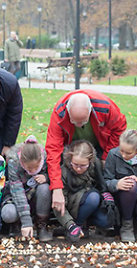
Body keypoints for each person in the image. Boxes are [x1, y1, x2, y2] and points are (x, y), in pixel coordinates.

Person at [46, 89, 127, 217]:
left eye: (82, 122)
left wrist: (106, 156)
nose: (78, 125)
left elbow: (119, 127)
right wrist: (56, 187)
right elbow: (53, 149)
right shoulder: (59, 113)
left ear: (90, 111)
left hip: (99, 146)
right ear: (68, 112)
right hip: (71, 151)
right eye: (74, 122)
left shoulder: (105, 107)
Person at [56, 140, 113, 243]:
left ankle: (85, 224)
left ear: (90, 161)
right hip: (72, 205)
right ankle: (75, 226)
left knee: (105, 221)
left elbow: (102, 185)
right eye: (75, 164)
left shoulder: (96, 166)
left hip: (88, 202)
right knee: (93, 198)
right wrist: (70, 224)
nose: (78, 169)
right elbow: (59, 206)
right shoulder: (63, 171)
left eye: (83, 166)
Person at [1, 135, 52, 242]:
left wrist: (46, 177)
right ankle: (16, 224)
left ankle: (41, 225)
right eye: (29, 168)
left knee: (45, 188)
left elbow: (55, 174)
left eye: (36, 167)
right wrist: (26, 221)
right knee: (8, 214)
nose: (33, 170)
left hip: (36, 196)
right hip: (16, 197)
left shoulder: (46, 157)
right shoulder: (13, 162)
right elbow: (17, 192)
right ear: (22, 162)